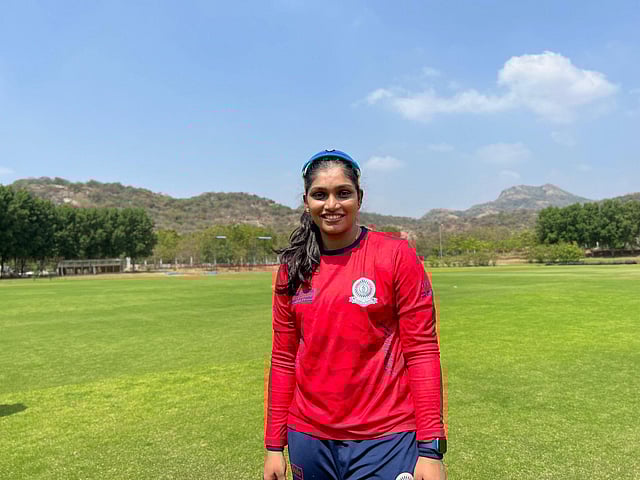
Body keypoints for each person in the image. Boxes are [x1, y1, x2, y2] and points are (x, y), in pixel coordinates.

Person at [263, 150, 447, 480]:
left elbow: (422, 351)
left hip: (386, 439)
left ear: (359, 198)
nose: (332, 204)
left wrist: (430, 449)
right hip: (309, 438)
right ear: (306, 202)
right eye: (320, 194)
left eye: (343, 193)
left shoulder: (395, 256)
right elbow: (284, 359)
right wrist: (274, 446)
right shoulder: (293, 269)